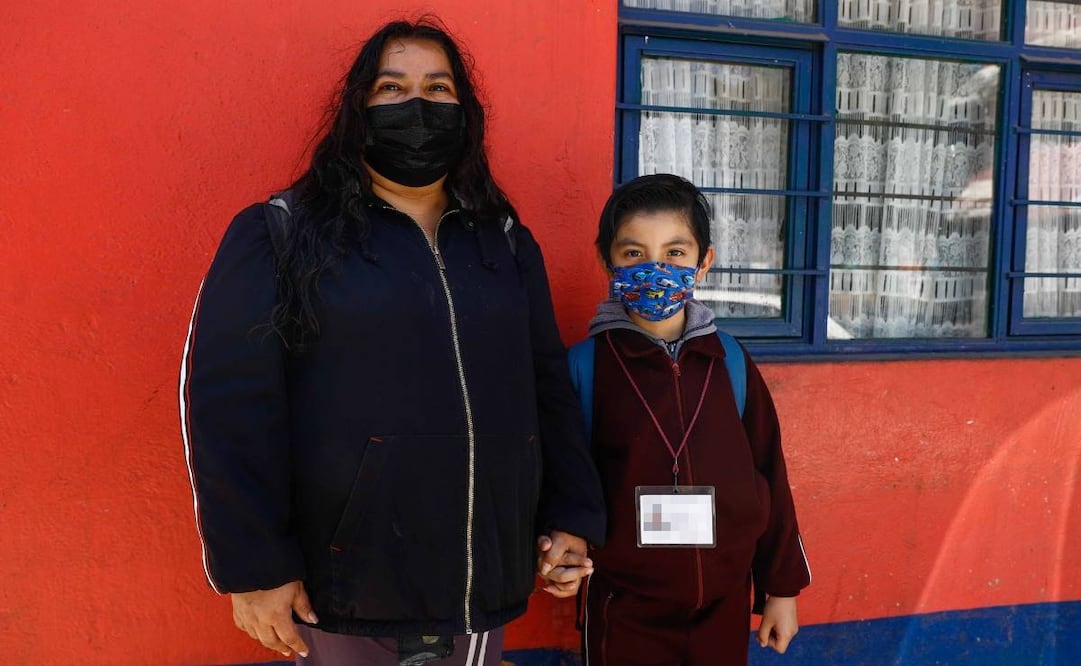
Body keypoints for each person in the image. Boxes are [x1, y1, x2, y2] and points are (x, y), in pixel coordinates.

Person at [179, 18, 605, 666]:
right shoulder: (279, 233)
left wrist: (571, 513)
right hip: (345, 591)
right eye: (392, 87)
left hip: (479, 581)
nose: (417, 106)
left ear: (464, 110)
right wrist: (254, 567)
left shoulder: (504, 242)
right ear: (359, 108)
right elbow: (227, 406)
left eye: (437, 88)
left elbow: (547, 385)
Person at [559, 174, 811, 665]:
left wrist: (781, 589)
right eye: (634, 253)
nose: (655, 268)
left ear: (704, 261)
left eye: (675, 252)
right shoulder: (586, 367)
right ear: (607, 260)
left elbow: (770, 475)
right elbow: (562, 480)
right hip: (623, 608)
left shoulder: (730, 362)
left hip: (724, 604)